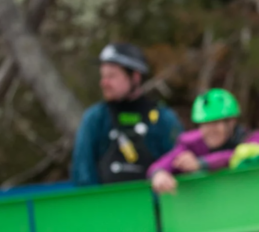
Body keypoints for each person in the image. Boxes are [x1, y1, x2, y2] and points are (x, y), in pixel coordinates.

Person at [71, 43, 182, 186]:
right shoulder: (95, 118)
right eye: (103, 76)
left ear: (135, 77)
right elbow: (83, 173)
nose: (104, 83)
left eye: (112, 76)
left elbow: (180, 162)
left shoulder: (163, 118)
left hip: (154, 204)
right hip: (108, 206)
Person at [148, 88, 259, 194]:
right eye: (204, 124)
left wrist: (202, 163)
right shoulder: (192, 144)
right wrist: (158, 173)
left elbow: (242, 155)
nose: (210, 130)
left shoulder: (251, 138)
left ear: (232, 122)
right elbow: (163, 163)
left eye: (215, 123)